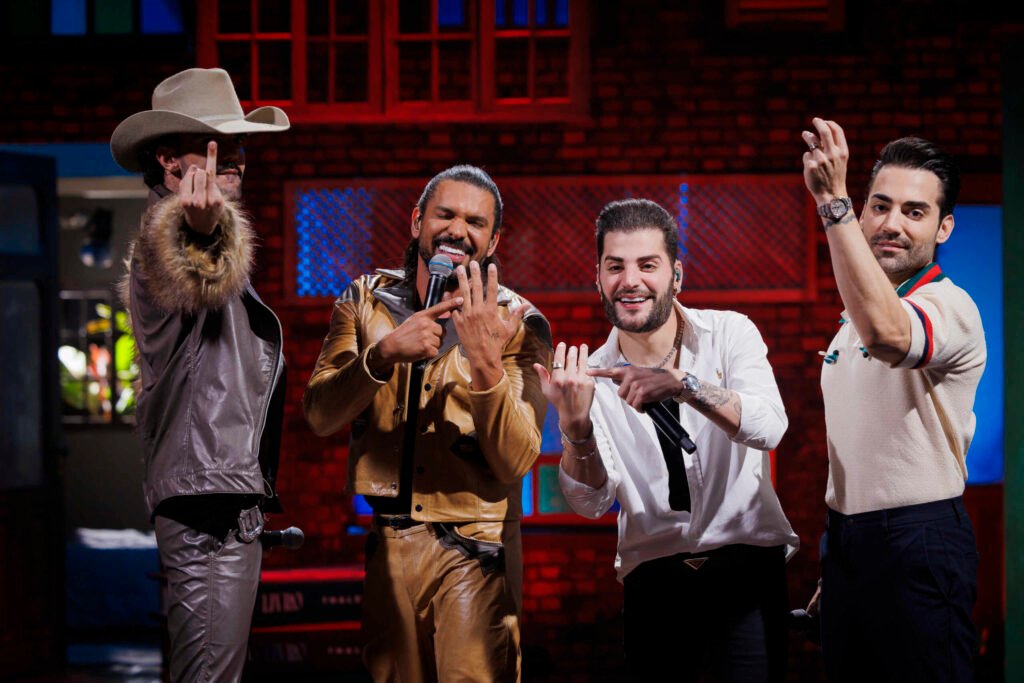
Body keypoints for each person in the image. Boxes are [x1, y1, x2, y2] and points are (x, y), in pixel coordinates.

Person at [303, 165, 551, 682]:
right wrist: (383, 354)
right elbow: (320, 415)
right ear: (418, 221)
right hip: (389, 545)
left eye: (475, 222)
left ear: (493, 240)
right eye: (445, 215)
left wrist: (484, 361)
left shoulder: (518, 323)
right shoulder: (365, 300)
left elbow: (516, 459)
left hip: (476, 547)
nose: (458, 230)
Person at [541, 198, 799, 682]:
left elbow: (769, 427)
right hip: (654, 585)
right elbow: (591, 502)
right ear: (598, 278)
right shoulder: (591, 377)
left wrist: (684, 385)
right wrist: (574, 427)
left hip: (746, 573)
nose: (630, 280)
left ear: (676, 275)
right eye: (615, 266)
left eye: (647, 265)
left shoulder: (729, 333)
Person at [111, 67, 290, 682]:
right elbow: (193, 271)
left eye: (238, 141)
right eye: (214, 140)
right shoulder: (168, 247)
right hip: (207, 507)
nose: (234, 153)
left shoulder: (175, 246)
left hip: (215, 499)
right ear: (168, 159)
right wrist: (206, 231)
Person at [800, 118, 985, 681]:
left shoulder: (949, 306)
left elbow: (888, 334)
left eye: (914, 211)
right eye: (879, 206)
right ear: (864, 214)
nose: (892, 224)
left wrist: (831, 201)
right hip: (848, 541)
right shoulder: (850, 321)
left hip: (920, 539)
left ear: (944, 227)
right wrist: (843, 559)